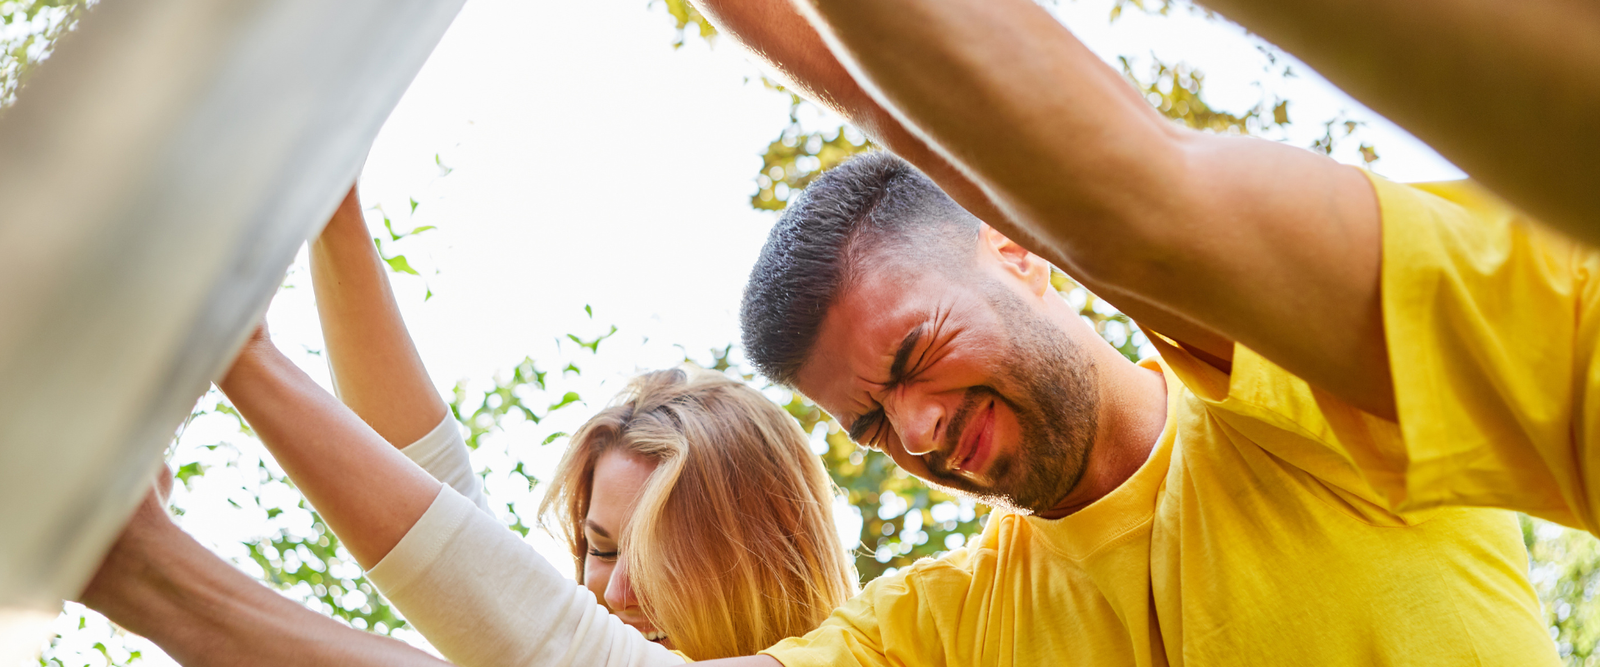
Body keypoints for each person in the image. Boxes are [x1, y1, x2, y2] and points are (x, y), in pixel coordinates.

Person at [701, 0, 1600, 535]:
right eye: (870, 425)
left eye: (912, 354)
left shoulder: (1282, 402)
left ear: (1014, 249)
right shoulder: (958, 616)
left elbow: (1129, 206)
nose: (918, 432)